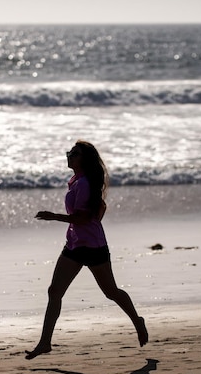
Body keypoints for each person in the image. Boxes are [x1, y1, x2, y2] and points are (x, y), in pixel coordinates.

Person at [25, 140, 148, 359]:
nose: (69, 155)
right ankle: (45, 343)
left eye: (74, 153)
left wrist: (54, 216)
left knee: (111, 292)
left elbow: (83, 217)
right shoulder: (76, 181)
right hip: (74, 243)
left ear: (84, 159)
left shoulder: (83, 183)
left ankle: (137, 321)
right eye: (69, 152)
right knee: (55, 291)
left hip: (92, 246)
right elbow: (99, 208)